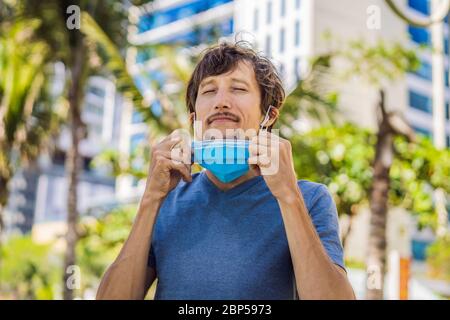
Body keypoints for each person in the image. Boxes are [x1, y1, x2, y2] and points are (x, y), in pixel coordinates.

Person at [96, 42, 355, 300]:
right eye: (209, 91)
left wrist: (289, 196)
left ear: (269, 116)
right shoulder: (165, 200)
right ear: (193, 117)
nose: (221, 102)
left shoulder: (309, 199)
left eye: (238, 89)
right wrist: (151, 199)